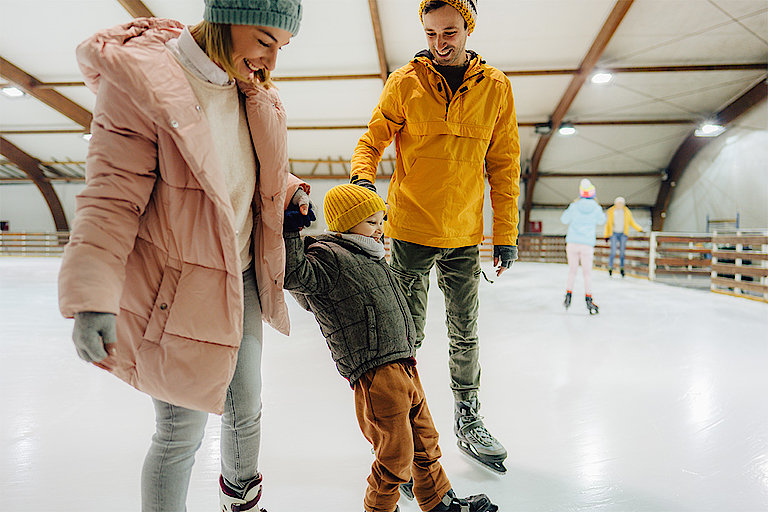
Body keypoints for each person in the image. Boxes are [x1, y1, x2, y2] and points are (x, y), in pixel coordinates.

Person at [57, 2, 311, 511]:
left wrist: (287, 190)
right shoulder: (143, 83)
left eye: (281, 48)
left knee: (247, 407)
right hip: (180, 288)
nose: (271, 62)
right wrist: (92, 298)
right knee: (179, 434)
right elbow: (111, 198)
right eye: (264, 40)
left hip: (243, 277)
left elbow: (240, 167)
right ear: (225, 18)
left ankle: (241, 498)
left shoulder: (250, 89)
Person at [348, 0, 520, 474]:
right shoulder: (405, 82)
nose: (439, 43)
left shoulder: (496, 89)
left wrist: (506, 233)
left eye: (449, 32)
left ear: (467, 29)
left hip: (464, 234)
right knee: (406, 337)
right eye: (430, 34)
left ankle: (468, 417)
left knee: (465, 333)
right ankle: (404, 433)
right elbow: (372, 139)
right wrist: (364, 178)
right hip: (409, 231)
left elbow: (505, 166)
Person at [283, 184, 499, 512]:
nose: (380, 228)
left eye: (381, 220)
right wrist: (291, 229)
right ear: (345, 223)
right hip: (375, 371)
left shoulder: (370, 254)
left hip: (403, 363)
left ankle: (439, 501)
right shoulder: (328, 257)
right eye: (371, 222)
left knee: (425, 442)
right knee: (395, 455)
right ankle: (380, 509)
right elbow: (295, 274)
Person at [560, 179, 606, 315]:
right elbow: (602, 220)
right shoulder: (596, 207)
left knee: (572, 271)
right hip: (587, 244)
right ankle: (589, 299)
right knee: (587, 273)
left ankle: (568, 295)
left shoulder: (575, 206)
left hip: (573, 243)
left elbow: (564, 219)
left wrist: (572, 206)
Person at [604, 196, 644, 277]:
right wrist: (606, 235)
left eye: (621, 203)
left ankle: (622, 268)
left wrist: (640, 229)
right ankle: (610, 267)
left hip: (623, 234)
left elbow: (632, 222)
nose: (620, 205)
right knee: (613, 251)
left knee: (622, 252)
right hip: (613, 234)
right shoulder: (611, 211)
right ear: (615, 203)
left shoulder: (627, 212)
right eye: (618, 203)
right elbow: (607, 225)